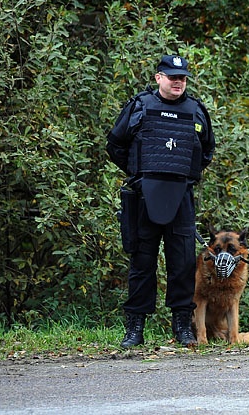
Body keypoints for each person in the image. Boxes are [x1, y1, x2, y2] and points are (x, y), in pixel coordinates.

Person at [106, 54, 216, 348]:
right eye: (172, 77)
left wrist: (182, 178)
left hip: (180, 197)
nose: (178, 82)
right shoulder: (140, 106)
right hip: (144, 196)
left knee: (181, 264)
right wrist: (139, 175)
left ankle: (182, 326)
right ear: (158, 78)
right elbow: (115, 144)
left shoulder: (196, 111)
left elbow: (206, 152)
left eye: (182, 77)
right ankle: (135, 329)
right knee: (142, 263)